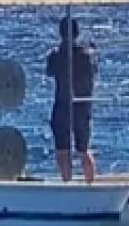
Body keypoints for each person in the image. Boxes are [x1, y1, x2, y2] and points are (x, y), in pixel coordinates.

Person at [45, 15, 97, 183]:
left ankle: (67, 182)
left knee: (62, 150)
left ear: (60, 33)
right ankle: (90, 183)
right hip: (82, 105)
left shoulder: (55, 55)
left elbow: (49, 71)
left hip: (62, 104)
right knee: (83, 149)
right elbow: (93, 70)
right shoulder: (87, 56)